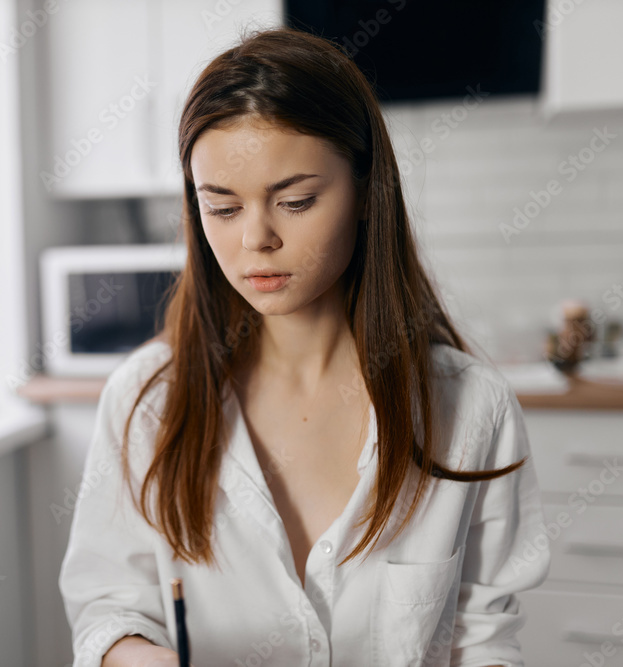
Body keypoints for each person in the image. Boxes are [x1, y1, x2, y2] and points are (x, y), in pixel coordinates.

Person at [59, 25, 550, 667]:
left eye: (295, 201)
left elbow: (485, 641)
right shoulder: (146, 400)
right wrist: (139, 655)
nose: (255, 239)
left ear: (368, 192)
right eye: (223, 208)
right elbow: (107, 607)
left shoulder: (472, 408)